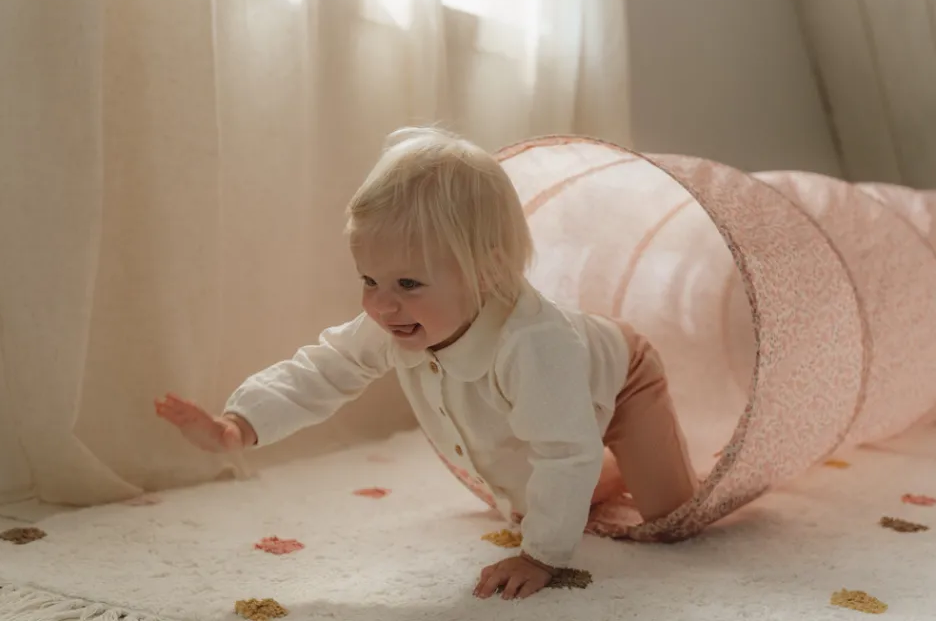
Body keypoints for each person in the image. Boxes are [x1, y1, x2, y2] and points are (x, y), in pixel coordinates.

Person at [155, 126, 698, 601]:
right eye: (370, 280)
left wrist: (541, 557)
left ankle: (624, 450)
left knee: (670, 521)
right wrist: (240, 425)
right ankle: (604, 464)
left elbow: (562, 451)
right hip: (563, 399)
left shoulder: (534, 344)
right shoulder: (392, 324)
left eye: (408, 284)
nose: (380, 305)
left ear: (487, 273)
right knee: (544, 483)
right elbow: (324, 369)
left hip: (624, 378)